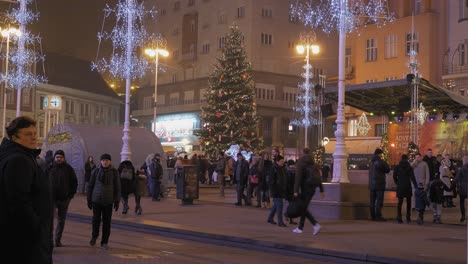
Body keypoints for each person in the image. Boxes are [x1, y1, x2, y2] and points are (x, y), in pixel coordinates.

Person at [0, 116, 54, 264]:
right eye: (28, 134)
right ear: (14, 137)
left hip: (17, 236)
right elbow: (19, 201)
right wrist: (37, 228)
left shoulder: (17, 156)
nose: (34, 137)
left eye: (35, 133)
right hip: (26, 240)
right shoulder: (19, 160)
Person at [87, 153, 121, 250]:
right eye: (103, 160)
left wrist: (117, 200)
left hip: (108, 201)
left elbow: (117, 187)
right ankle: (94, 236)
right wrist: (89, 199)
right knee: (96, 220)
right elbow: (90, 186)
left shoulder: (114, 172)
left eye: (107, 160)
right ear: (101, 161)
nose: (105, 162)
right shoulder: (96, 171)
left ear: (110, 161)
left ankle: (104, 242)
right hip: (96, 200)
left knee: (107, 222)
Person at [48, 149, 78, 247]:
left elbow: (74, 182)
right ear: (54, 158)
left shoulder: (68, 168)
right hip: (51, 198)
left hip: (64, 199)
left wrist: (70, 195)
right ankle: (49, 241)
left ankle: (57, 240)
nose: (59, 159)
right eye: (57, 157)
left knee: (61, 220)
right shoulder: (49, 167)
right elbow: (43, 181)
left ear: (64, 158)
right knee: (50, 220)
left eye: (61, 157)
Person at [293, 148, 324, 235]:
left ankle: (315, 224)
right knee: (304, 207)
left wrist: (295, 190)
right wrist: (321, 190)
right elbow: (318, 177)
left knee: (303, 207)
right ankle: (300, 227)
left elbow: (298, 177)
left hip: (305, 188)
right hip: (312, 188)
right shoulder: (313, 162)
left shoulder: (301, 162)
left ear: (302, 153)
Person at [392, 154, 417, 224]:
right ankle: (408, 217)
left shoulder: (397, 167)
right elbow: (412, 177)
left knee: (400, 202)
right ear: (407, 159)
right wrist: (416, 185)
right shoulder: (409, 167)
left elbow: (394, 176)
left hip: (400, 186)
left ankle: (399, 217)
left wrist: (397, 183)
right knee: (409, 202)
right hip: (407, 185)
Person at [368, 148, 390, 221]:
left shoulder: (371, 162)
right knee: (379, 201)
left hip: (371, 184)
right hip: (379, 184)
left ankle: (372, 216)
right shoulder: (380, 162)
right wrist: (385, 162)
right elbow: (387, 169)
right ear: (380, 154)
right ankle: (378, 216)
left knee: (372, 201)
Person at [268, 157, 288, 227]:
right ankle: (280, 222)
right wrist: (273, 191)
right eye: (281, 161)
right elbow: (271, 182)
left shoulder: (283, 169)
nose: (283, 162)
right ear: (277, 162)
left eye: (283, 161)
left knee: (276, 206)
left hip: (281, 190)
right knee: (280, 206)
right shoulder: (274, 169)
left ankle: (270, 218)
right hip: (276, 191)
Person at [453, 156, 468, 223]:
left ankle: (463, 216)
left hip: (463, 189)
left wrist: (451, 186)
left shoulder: (462, 169)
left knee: (462, 203)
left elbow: (456, 179)